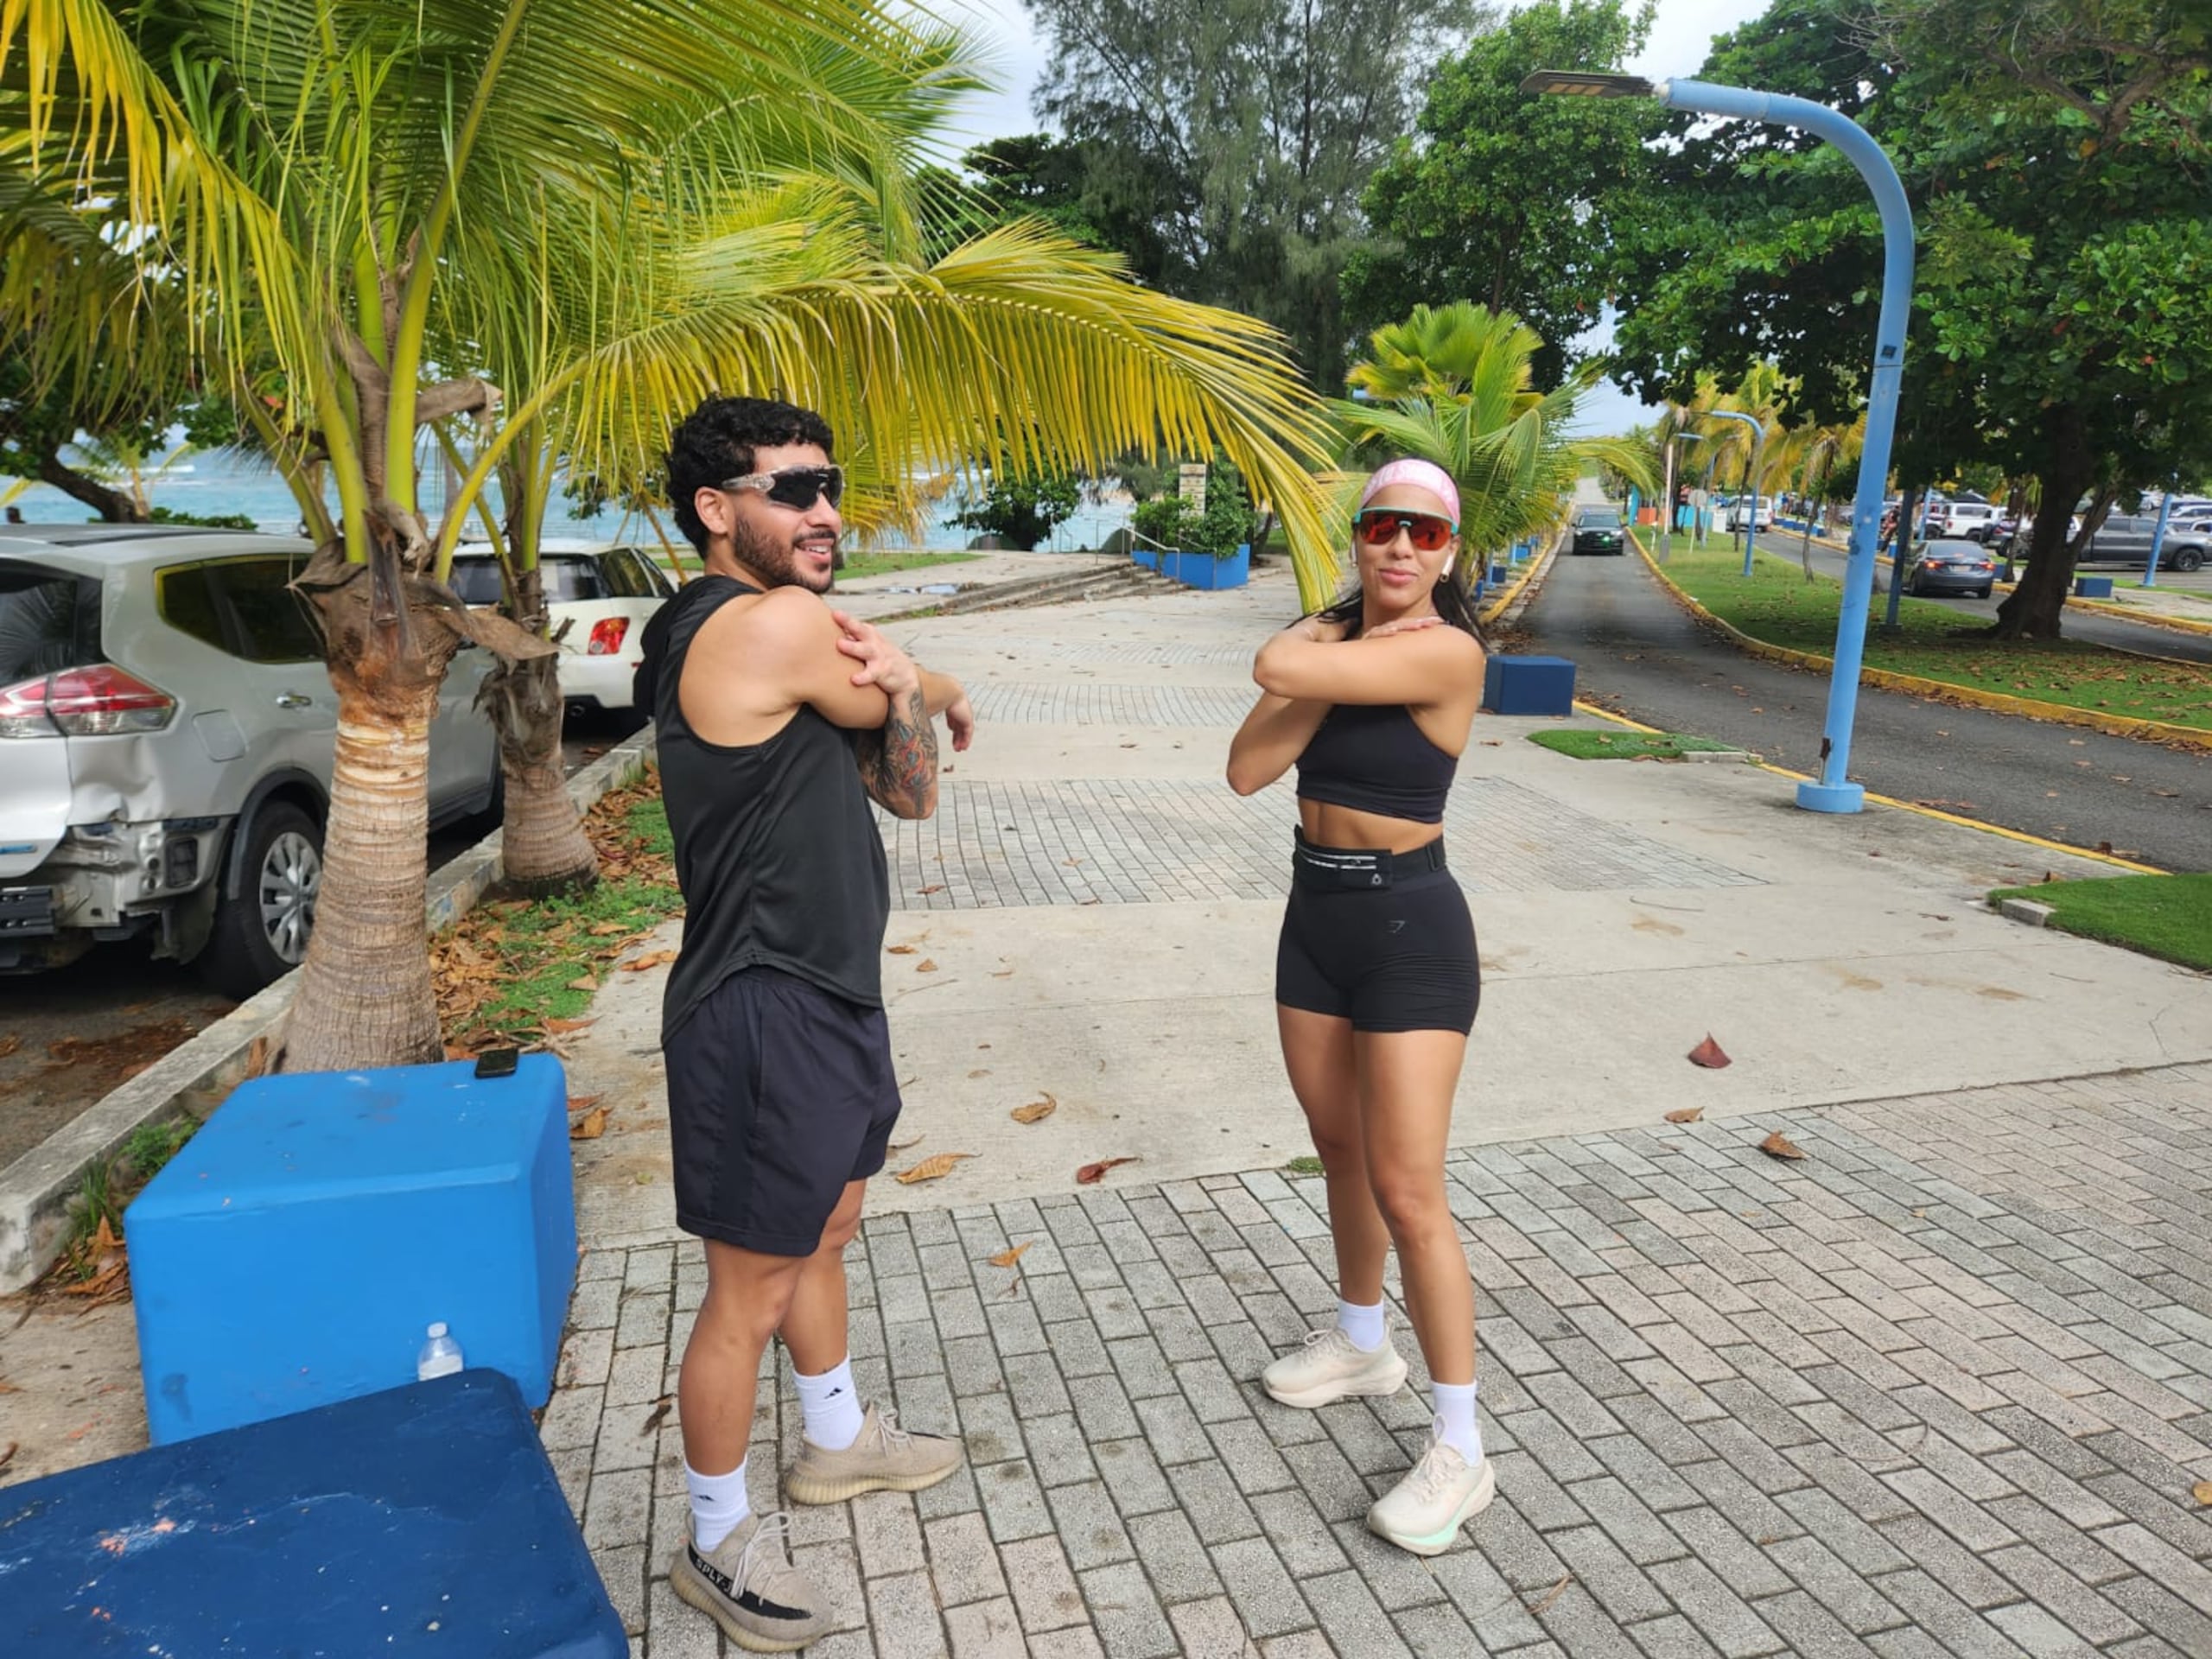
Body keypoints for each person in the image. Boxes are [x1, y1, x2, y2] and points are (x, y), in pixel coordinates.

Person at [638, 395, 976, 1651]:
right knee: (749, 1288)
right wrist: (919, 688)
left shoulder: (742, 621)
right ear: (715, 510)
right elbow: (915, 778)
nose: (824, 510)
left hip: (827, 992)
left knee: (827, 1226)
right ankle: (714, 1541)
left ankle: (835, 1440)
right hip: (762, 1001)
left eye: (829, 485)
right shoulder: (765, 622)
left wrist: (912, 682)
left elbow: (897, 702)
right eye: (791, 490)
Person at [1226, 457, 1492, 1557]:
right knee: (1336, 1146)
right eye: (1382, 526)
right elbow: (1248, 768)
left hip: (1409, 934)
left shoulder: (1448, 650)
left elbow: (1271, 658)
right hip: (1315, 920)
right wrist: (1328, 653)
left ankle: (1461, 1446)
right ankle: (1360, 1341)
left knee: (1409, 1187)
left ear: (1448, 552)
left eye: (1424, 533)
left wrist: (1321, 641)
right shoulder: (1339, 656)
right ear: (1360, 537)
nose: (1399, 547)